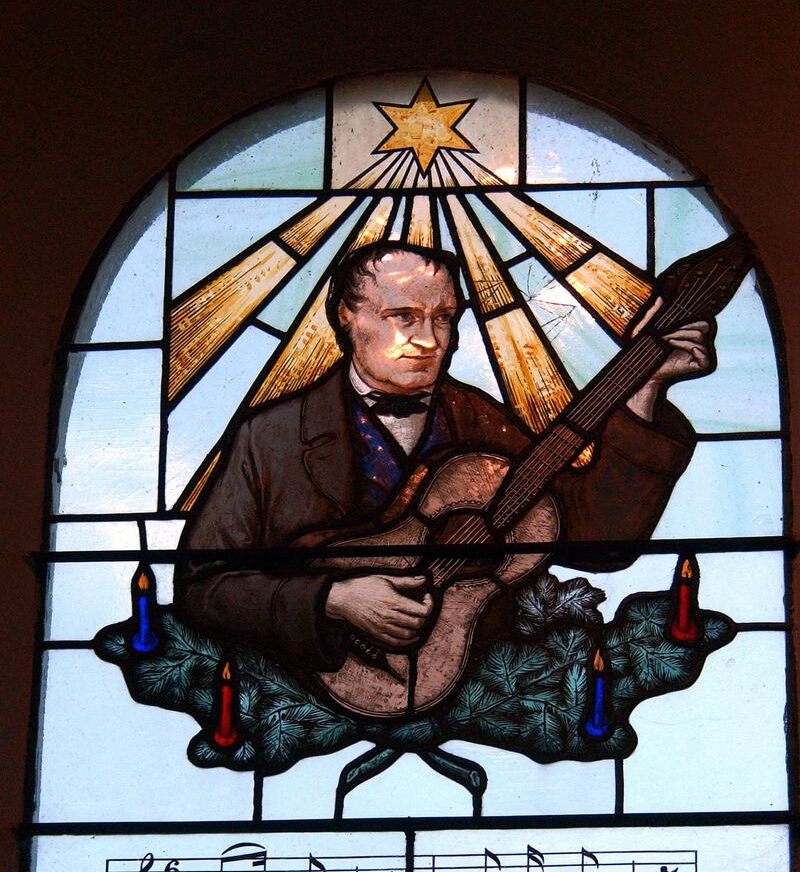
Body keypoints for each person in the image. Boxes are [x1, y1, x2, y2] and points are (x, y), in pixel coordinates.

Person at [175, 240, 712, 676]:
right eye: (403, 316)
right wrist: (332, 599)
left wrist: (646, 388)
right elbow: (203, 587)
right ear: (347, 316)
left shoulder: (480, 421)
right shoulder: (272, 436)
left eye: (444, 318)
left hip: (472, 684)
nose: (429, 340)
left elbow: (596, 540)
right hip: (314, 681)